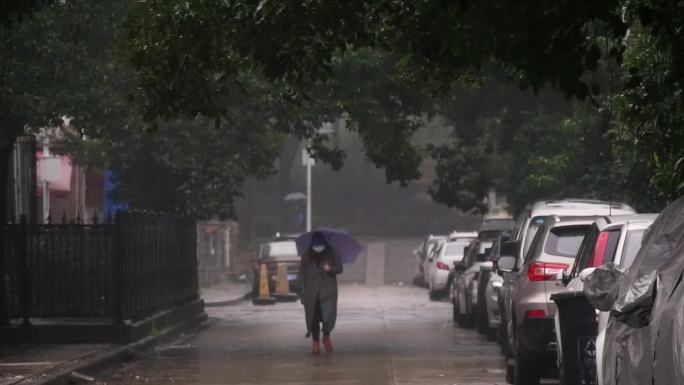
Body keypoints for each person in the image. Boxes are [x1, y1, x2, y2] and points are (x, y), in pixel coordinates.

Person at [299, 232, 344, 354]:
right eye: (316, 244)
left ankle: (326, 336)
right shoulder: (306, 256)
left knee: (327, 317)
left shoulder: (332, 253)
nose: (318, 247)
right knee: (313, 317)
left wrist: (330, 269)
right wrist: (303, 293)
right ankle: (315, 342)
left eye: (320, 244)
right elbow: (301, 275)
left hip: (328, 292)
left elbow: (340, 268)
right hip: (312, 294)